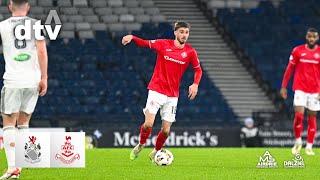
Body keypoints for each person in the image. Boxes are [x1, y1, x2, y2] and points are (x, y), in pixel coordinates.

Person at [122, 21, 202, 162]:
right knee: (148, 124)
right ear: (175, 33)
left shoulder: (190, 52)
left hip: (172, 95)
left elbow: (198, 70)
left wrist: (195, 84)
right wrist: (133, 38)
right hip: (156, 90)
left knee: (166, 130)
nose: (184, 35)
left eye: (186, 32)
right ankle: (141, 144)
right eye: (181, 32)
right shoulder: (163, 44)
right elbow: (145, 43)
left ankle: (155, 152)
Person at [0, 0, 48, 178]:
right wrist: (44, 77)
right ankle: (21, 164)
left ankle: (13, 167)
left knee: (8, 123)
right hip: (32, 80)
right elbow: (42, 51)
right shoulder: (36, 25)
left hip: (13, 80)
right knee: (24, 122)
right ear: (27, 7)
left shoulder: (2, 26)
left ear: (10, 6)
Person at [280, 28, 320, 156]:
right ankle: (298, 142)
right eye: (310, 36)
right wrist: (283, 86)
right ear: (306, 37)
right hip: (300, 89)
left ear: (317, 38)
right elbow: (289, 68)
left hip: (315, 90)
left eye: (314, 37)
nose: (312, 39)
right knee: (299, 116)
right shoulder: (298, 50)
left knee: (312, 117)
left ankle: (309, 146)